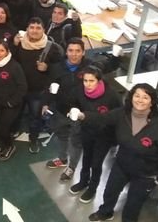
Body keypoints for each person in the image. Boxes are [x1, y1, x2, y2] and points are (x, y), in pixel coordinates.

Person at [74, 84, 158, 222]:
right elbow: (102, 118)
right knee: (110, 192)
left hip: (146, 174)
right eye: (137, 95)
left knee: (134, 203)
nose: (140, 100)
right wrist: (81, 115)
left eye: (145, 97)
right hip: (122, 164)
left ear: (152, 101)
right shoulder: (122, 114)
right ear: (131, 97)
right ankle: (105, 212)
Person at [44, 38, 123, 181]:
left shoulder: (90, 67)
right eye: (71, 51)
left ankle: (72, 167)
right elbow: (48, 86)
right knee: (61, 136)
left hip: (80, 114)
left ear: (83, 52)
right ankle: (62, 158)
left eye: (78, 51)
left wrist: (116, 56)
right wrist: (48, 99)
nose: (74, 54)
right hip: (61, 111)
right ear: (66, 52)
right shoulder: (56, 67)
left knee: (76, 141)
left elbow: (108, 66)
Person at [68, 67, 121, 204]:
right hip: (87, 131)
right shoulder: (80, 91)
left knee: (96, 163)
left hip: (105, 135)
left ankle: (92, 188)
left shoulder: (112, 95)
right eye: (85, 80)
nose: (88, 84)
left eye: (92, 81)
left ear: (99, 80)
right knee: (86, 159)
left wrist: (115, 138)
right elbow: (74, 103)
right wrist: (73, 110)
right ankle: (83, 181)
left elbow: (119, 115)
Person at [14, 17, 64, 153]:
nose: (34, 31)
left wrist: (47, 67)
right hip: (20, 88)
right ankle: (14, 130)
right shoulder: (19, 43)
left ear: (43, 30)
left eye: (38, 28)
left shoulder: (51, 48)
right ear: (27, 29)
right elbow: (12, 61)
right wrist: (13, 45)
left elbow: (59, 69)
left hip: (38, 90)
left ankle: (33, 139)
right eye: (31, 27)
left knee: (35, 117)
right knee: (16, 112)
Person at [0, 41, 27, 161]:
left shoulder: (14, 66)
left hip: (12, 104)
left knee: (5, 126)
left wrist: (12, 102)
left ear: (7, 52)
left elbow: (22, 87)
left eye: (2, 50)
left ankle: (9, 146)